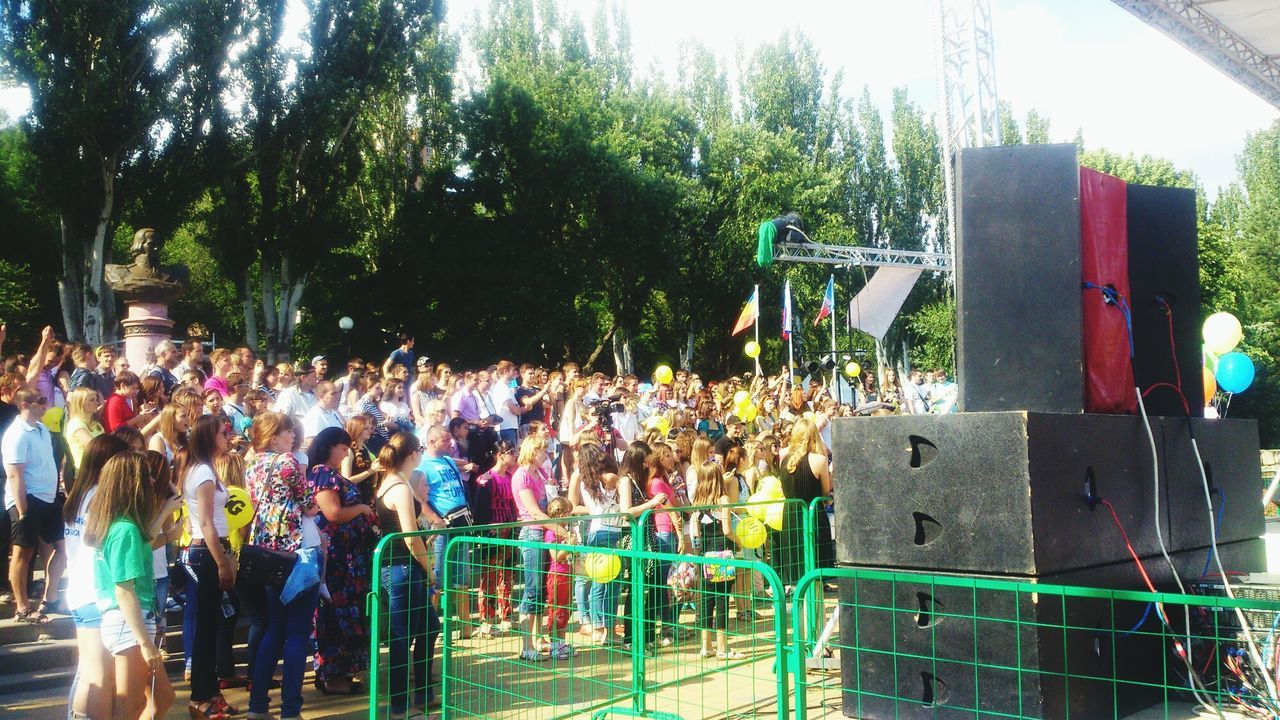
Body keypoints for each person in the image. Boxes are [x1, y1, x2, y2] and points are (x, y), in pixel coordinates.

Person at [84, 451, 178, 720]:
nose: (151, 479)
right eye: (145, 474)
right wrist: (146, 643)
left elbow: (144, 544)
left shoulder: (120, 525)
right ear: (131, 482)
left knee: (162, 699)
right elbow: (124, 591)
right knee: (131, 706)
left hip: (130, 621)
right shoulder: (124, 529)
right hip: (130, 623)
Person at [244, 411, 321, 720]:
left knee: (274, 629)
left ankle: (257, 706)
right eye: (287, 432)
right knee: (298, 631)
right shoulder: (288, 462)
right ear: (273, 437)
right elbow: (310, 505)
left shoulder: (251, 465)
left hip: (266, 554)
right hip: (296, 553)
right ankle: (290, 709)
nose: (292, 436)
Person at [63, 434, 130, 720]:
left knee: (90, 673)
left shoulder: (79, 494)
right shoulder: (100, 497)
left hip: (78, 592)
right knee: (100, 677)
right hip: (95, 593)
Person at [374, 432, 440, 717]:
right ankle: (400, 704)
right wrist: (430, 570)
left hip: (403, 567)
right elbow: (410, 537)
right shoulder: (399, 487)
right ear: (412, 453)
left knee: (428, 627)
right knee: (402, 638)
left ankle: (423, 693)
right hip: (401, 567)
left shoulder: (397, 482)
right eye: (420, 449)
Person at [309, 426, 377, 695]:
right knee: (334, 617)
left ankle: (341, 674)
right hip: (336, 560)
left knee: (346, 615)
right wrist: (361, 509)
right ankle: (332, 676)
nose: (346, 452)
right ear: (329, 446)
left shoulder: (332, 474)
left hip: (348, 559)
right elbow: (333, 512)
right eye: (342, 447)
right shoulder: (322, 474)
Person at [179, 415, 237, 720]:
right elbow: (204, 523)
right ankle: (200, 696)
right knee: (205, 630)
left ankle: (211, 691)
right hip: (207, 552)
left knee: (212, 626)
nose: (227, 437)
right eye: (222, 433)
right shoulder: (201, 471)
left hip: (214, 548)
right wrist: (222, 562)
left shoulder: (206, 468)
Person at [3, 387, 66, 623]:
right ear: (25, 405)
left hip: (49, 498)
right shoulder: (16, 434)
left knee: (63, 549)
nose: (45, 404)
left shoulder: (41, 429)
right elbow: (14, 474)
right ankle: (22, 607)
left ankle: (51, 598)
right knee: (23, 552)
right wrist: (22, 511)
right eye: (40, 401)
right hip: (27, 499)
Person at [417, 425, 473, 633]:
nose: (451, 443)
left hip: (460, 522)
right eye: (445, 440)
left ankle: (465, 626)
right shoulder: (422, 465)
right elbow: (419, 497)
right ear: (432, 442)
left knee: (462, 577)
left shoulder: (449, 461)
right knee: (437, 578)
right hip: (442, 526)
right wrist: (435, 520)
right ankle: (433, 629)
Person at [689, 460, 743, 661]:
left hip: (704, 556)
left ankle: (706, 646)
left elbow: (695, 532)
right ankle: (723, 648)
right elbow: (727, 530)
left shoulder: (697, 501)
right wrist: (739, 543)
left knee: (706, 600)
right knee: (722, 600)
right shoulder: (723, 499)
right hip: (723, 555)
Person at [778, 418, 834, 587]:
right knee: (815, 570)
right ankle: (814, 611)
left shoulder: (784, 460)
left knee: (798, 568)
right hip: (812, 515)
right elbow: (826, 491)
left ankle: (801, 608)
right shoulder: (819, 460)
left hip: (791, 517)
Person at [472, 439, 518, 636]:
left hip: (509, 530)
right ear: (500, 455)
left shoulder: (510, 477)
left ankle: (506, 615)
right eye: (511, 452)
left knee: (507, 575)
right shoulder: (485, 480)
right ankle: (486, 619)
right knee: (488, 577)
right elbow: (479, 510)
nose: (514, 456)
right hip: (491, 533)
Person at [543, 496, 577, 660]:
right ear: (562, 514)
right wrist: (570, 544)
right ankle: (554, 644)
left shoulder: (566, 533)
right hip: (557, 575)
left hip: (568, 573)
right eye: (569, 513)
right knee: (556, 610)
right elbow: (556, 555)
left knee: (566, 609)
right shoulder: (552, 533)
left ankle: (562, 641)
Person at [65, 387, 105, 472]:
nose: (97, 403)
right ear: (80, 403)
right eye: (92, 400)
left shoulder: (97, 425)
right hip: (85, 472)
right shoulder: (75, 423)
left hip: (100, 469)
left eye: (96, 400)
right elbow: (91, 445)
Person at [341, 414, 379, 504]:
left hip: (367, 496)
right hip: (355, 499)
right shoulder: (349, 451)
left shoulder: (364, 448)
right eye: (365, 428)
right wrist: (371, 470)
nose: (369, 430)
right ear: (357, 430)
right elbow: (346, 480)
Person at [302, 381, 344, 449]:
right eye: (333, 394)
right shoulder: (314, 415)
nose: (337, 396)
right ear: (321, 397)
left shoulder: (334, 413)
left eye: (337, 393)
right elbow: (311, 443)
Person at [488, 361, 521, 446]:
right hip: (506, 427)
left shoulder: (506, 387)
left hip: (510, 427)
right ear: (506, 371)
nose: (515, 373)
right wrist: (521, 408)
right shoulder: (502, 388)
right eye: (513, 370)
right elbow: (514, 410)